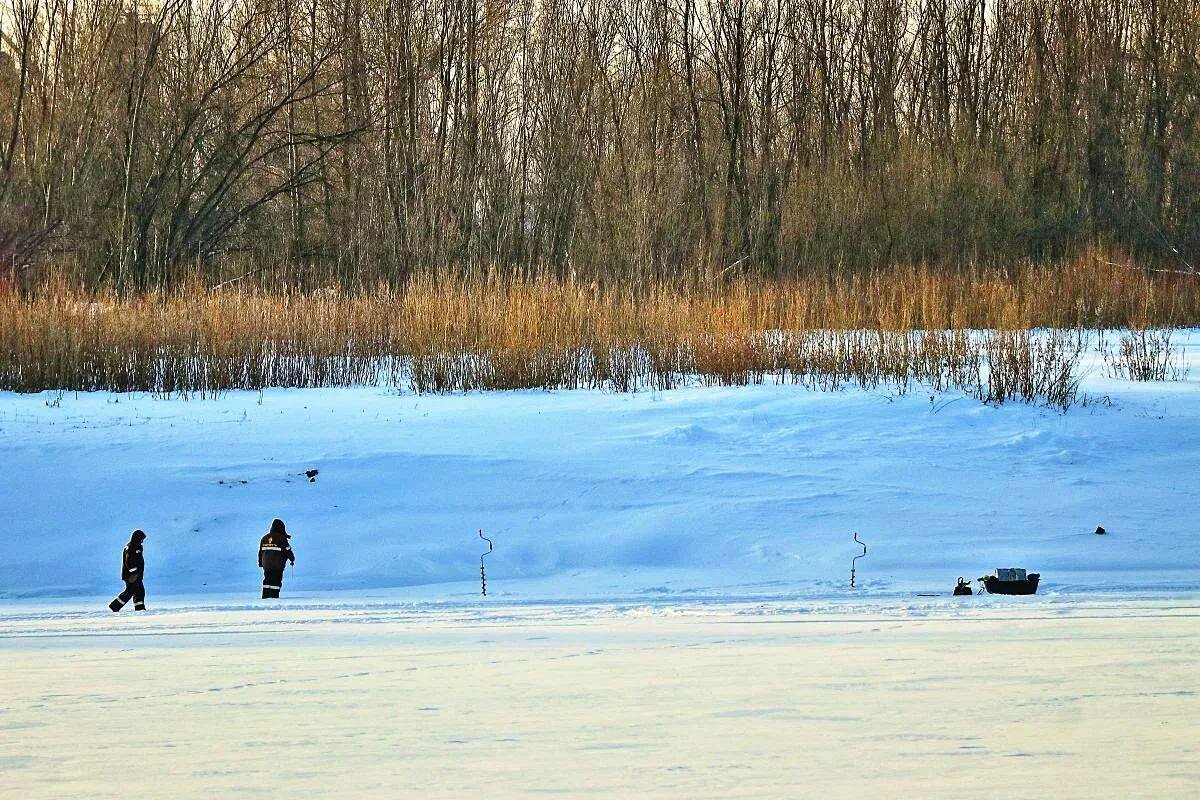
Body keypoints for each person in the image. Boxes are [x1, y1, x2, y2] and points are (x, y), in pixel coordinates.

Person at [109, 530, 148, 612]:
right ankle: (114, 606)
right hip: (131, 575)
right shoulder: (130, 547)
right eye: (141, 539)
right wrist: (134, 573)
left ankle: (140, 608)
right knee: (130, 591)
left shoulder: (138, 547)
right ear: (137, 538)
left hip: (137, 575)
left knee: (139, 591)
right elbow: (128, 561)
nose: (142, 541)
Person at [259, 518, 295, 599]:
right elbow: (287, 550)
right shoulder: (282, 538)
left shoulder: (264, 538)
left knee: (267, 581)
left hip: (266, 566)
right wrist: (292, 559)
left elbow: (260, 552)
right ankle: (274, 598)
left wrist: (261, 563)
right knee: (275, 582)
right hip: (277, 566)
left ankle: (265, 597)